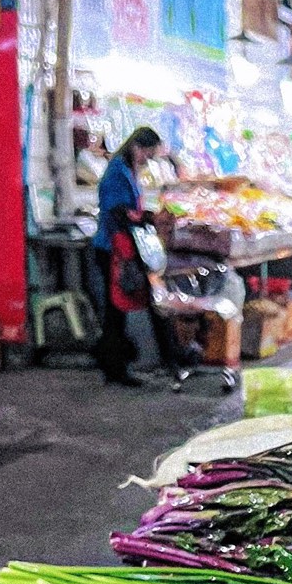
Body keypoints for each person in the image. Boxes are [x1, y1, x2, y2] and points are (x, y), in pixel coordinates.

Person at [93, 126, 183, 389]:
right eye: (147, 153)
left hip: (123, 249)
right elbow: (119, 213)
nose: (147, 159)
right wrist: (149, 218)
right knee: (115, 311)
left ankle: (116, 367)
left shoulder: (127, 170)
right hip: (112, 249)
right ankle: (115, 370)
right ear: (136, 147)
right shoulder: (117, 172)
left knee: (117, 311)